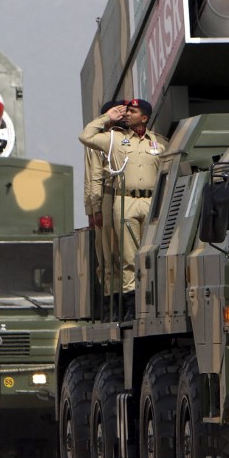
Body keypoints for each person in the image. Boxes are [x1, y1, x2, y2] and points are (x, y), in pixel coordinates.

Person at [79, 99, 167, 313]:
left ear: (144, 117)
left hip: (151, 202)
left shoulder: (159, 142)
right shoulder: (114, 140)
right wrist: (107, 117)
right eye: (125, 111)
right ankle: (129, 306)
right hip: (123, 199)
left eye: (132, 111)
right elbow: (85, 137)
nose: (127, 114)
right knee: (126, 257)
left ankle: (154, 302)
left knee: (153, 254)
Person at [84, 100, 119, 289]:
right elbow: (91, 178)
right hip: (104, 197)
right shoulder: (97, 143)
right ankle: (109, 296)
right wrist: (92, 209)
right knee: (105, 252)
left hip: (122, 196)